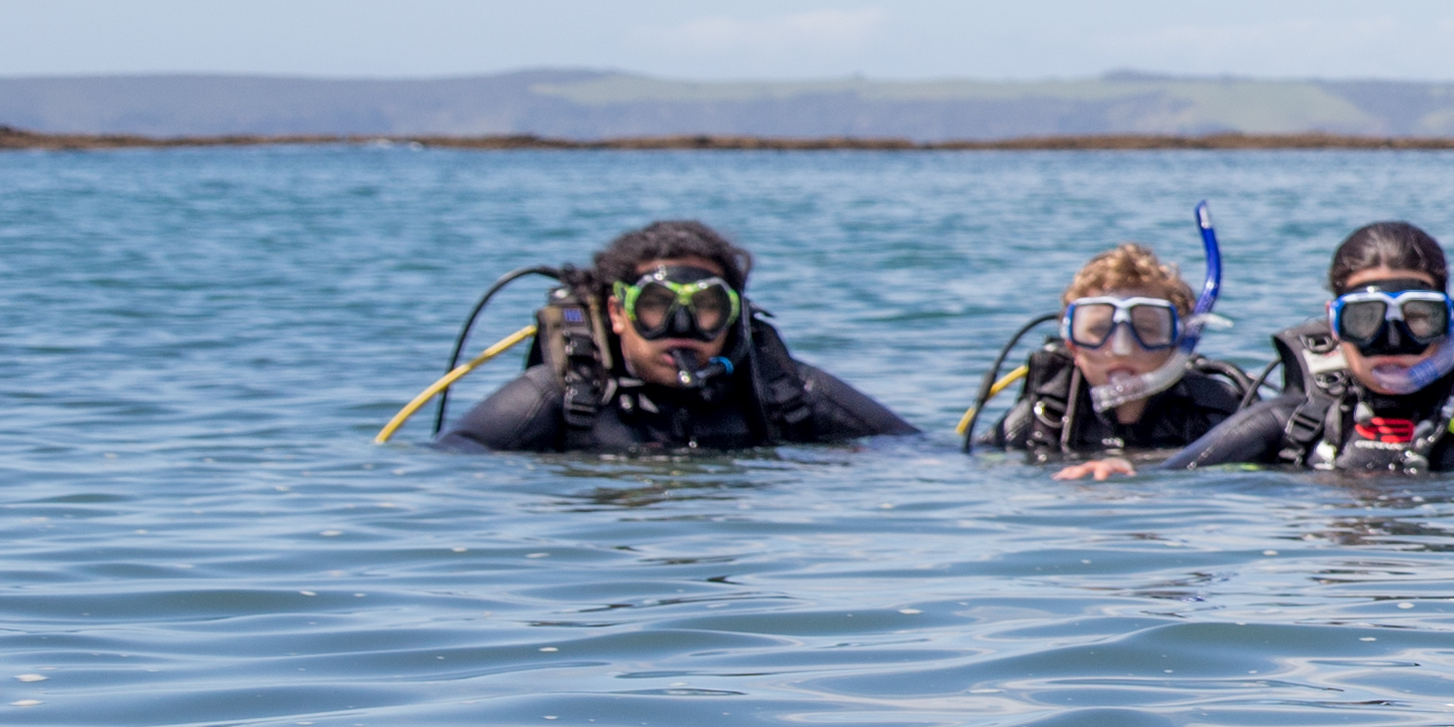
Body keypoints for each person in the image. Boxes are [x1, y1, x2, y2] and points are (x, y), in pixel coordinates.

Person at [1097, 222, 1454, 475]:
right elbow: (1175, 479)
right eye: (1365, 319)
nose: (1392, 341)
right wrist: (1126, 478)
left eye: (1418, 318)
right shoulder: (1292, 424)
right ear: (1333, 325)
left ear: (1450, 322)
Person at [447, 218, 912, 453]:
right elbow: (449, 467)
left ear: (734, 315)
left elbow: (915, 453)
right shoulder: (555, 399)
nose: (683, 330)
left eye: (707, 308)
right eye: (656, 306)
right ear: (617, 312)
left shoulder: (783, 390)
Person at [993, 242, 1255, 462]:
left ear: (1181, 341)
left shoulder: (1216, 412)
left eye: (1146, 328)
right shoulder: (1044, 416)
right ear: (1071, 343)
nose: (1121, 347)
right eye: (1097, 329)